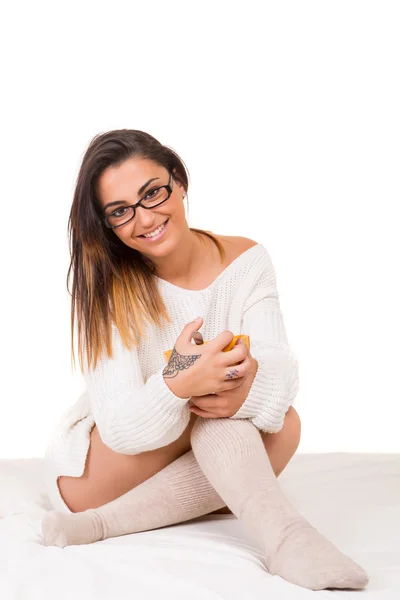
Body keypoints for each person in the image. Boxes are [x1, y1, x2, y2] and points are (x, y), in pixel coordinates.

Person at [41, 129, 369, 591]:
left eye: (153, 193)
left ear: (179, 180)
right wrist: (180, 379)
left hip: (186, 447)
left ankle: (103, 526)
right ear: (108, 224)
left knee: (282, 421)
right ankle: (286, 537)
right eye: (121, 211)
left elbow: (280, 367)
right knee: (221, 404)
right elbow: (119, 428)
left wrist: (245, 381)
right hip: (99, 470)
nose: (145, 218)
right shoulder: (111, 285)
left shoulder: (247, 260)